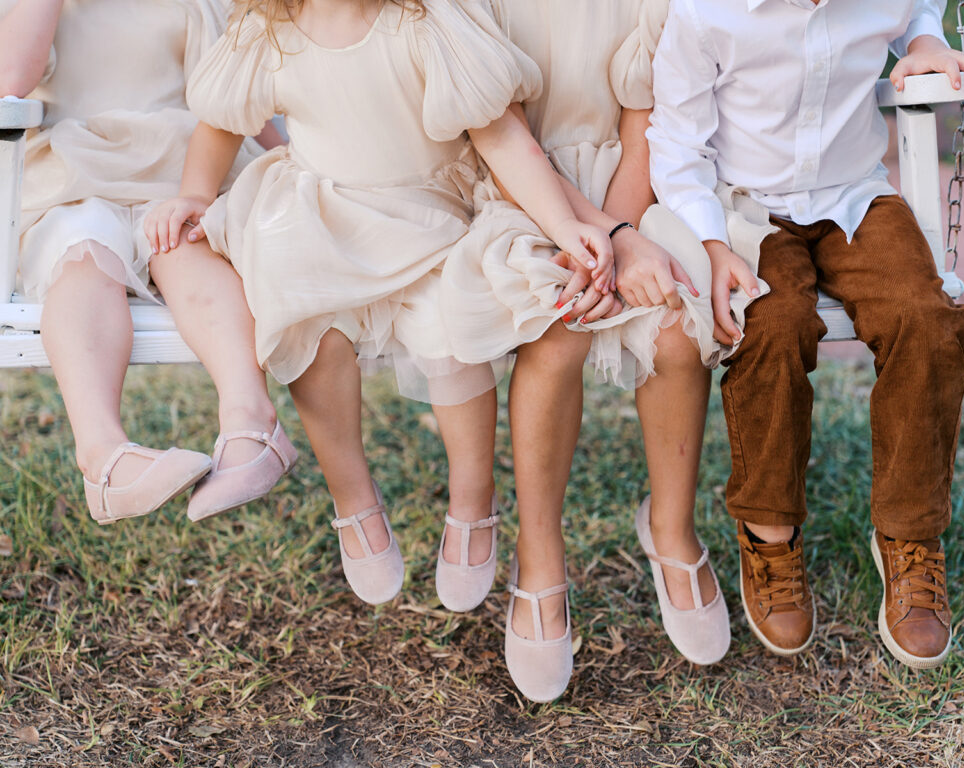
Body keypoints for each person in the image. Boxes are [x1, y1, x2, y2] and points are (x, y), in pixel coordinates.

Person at [146, 0, 614, 609]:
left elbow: (502, 138)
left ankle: (473, 500)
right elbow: (219, 124)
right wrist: (193, 194)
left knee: (453, 320)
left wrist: (560, 221)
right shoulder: (268, 28)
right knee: (305, 313)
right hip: (320, 210)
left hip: (428, 212)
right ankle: (353, 497)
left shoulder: (425, 20)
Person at [440, 0, 775, 701]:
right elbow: (504, 141)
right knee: (558, 332)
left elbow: (644, 124)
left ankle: (671, 528)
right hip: (522, 194)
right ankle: (540, 558)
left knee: (680, 322)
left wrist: (624, 235)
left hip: (632, 187)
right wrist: (591, 237)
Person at [649, 0, 964, 668]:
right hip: (746, 205)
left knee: (925, 317)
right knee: (770, 322)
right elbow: (678, 143)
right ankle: (769, 533)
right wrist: (713, 245)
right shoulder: (706, 12)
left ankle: (910, 536)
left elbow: (919, 8)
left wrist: (925, 41)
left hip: (852, 194)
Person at [0, 0, 297, 526]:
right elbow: (11, 79)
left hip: (181, 178)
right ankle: (104, 457)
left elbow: (235, 101)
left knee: (187, 251)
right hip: (77, 177)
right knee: (84, 256)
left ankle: (251, 423)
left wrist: (295, 159)